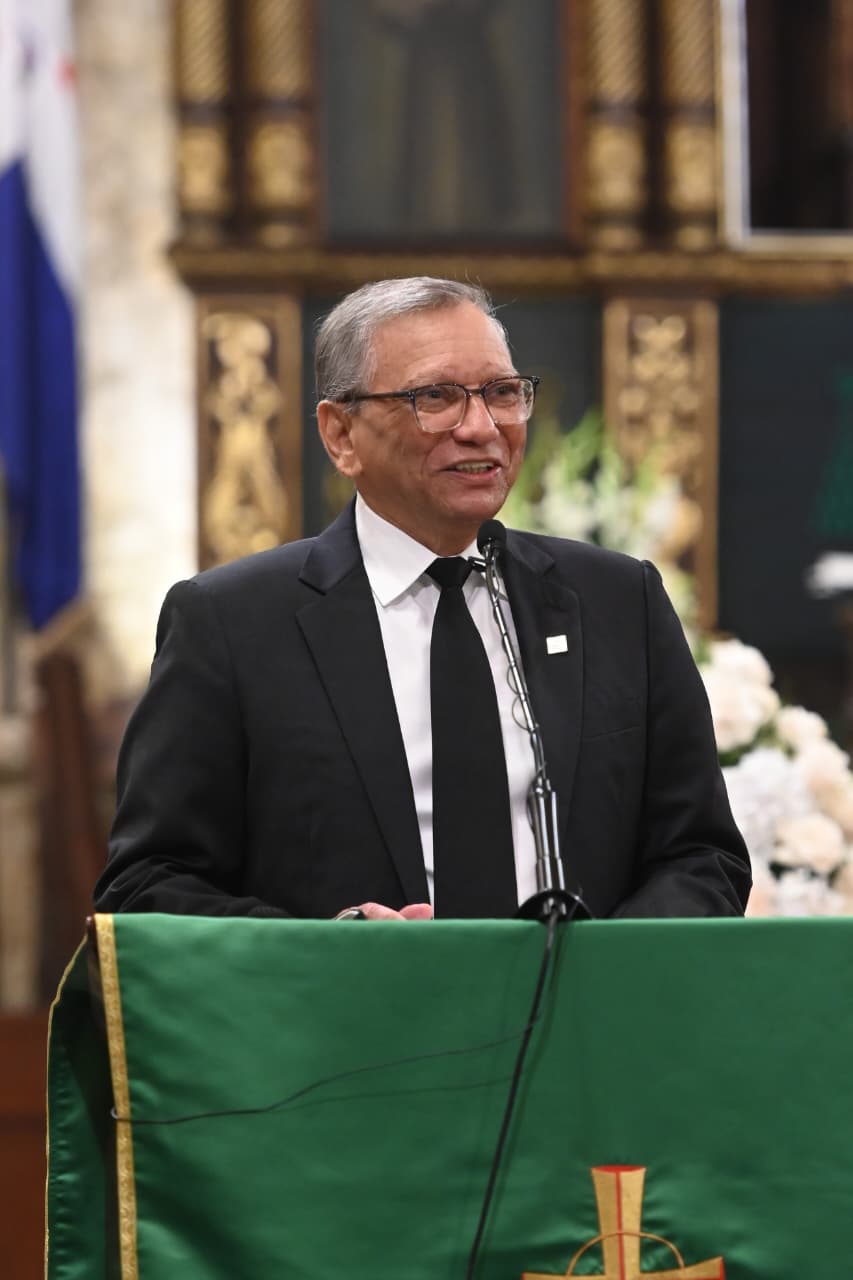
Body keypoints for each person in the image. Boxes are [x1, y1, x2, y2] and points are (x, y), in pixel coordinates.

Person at [94, 277, 750, 922]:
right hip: (341, 994)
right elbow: (149, 883)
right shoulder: (231, 623)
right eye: (435, 397)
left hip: (585, 994)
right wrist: (332, 951)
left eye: (502, 393)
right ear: (341, 435)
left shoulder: (617, 602)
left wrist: (605, 970)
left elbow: (700, 855)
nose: (481, 427)